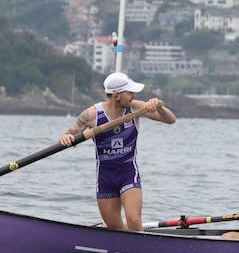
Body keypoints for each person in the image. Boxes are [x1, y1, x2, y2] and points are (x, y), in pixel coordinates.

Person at [58, 71, 177, 231]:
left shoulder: (136, 108)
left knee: (134, 221)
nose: (134, 95)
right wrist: (65, 137)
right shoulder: (91, 114)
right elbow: (69, 135)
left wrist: (159, 107)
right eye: (130, 92)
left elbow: (170, 119)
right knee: (114, 228)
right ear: (116, 95)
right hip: (105, 177)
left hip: (128, 172)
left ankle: (141, 243)